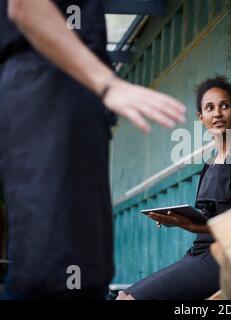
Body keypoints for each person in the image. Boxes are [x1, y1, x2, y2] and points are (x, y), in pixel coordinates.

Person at [0, 0, 186, 300]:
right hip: (48, 89)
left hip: (72, 98)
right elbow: (25, 5)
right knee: (54, 266)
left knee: (85, 266)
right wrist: (108, 84)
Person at [117, 76, 231, 300]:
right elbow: (207, 217)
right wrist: (178, 219)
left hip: (228, 258)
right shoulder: (209, 165)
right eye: (210, 108)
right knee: (123, 296)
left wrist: (191, 226)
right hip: (199, 253)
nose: (217, 113)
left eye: (224, 106)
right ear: (201, 118)